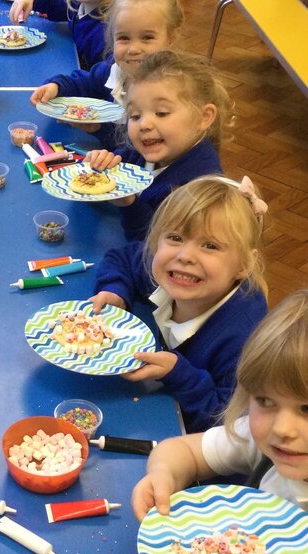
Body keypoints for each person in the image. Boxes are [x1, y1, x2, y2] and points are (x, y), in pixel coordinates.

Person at [90, 176, 268, 433]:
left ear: (243, 265)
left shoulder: (243, 339)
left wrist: (178, 374)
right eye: (174, 237)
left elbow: (228, 425)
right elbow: (124, 259)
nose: (185, 256)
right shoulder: (167, 272)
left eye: (210, 246)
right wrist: (116, 291)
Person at [131, 289, 308, 519]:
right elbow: (184, 451)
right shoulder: (258, 441)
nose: (282, 428)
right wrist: (163, 476)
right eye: (265, 400)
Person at [85, 49, 234, 242]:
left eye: (162, 113)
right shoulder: (154, 151)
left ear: (204, 117)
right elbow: (124, 159)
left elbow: (155, 248)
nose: (144, 124)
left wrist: (129, 204)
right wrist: (104, 163)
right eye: (135, 116)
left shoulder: (195, 191)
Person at [30, 0, 183, 149]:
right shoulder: (115, 70)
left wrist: (99, 130)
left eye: (147, 37)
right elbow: (83, 82)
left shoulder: (169, 95)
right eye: (124, 38)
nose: (134, 49)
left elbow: (141, 149)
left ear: (171, 37)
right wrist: (56, 86)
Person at [9, 0, 111, 70]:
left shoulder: (103, 33)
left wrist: (63, 85)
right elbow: (55, 5)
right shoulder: (79, 4)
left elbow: (102, 80)